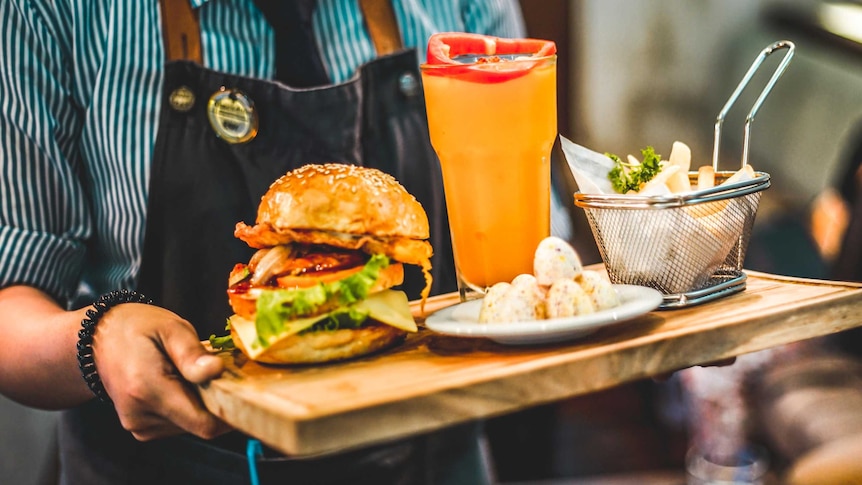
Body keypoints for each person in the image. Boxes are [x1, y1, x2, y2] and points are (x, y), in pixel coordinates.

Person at [0, 0, 556, 483]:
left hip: (432, 454)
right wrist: (97, 340)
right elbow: (11, 303)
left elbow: (534, 244)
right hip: (161, 465)